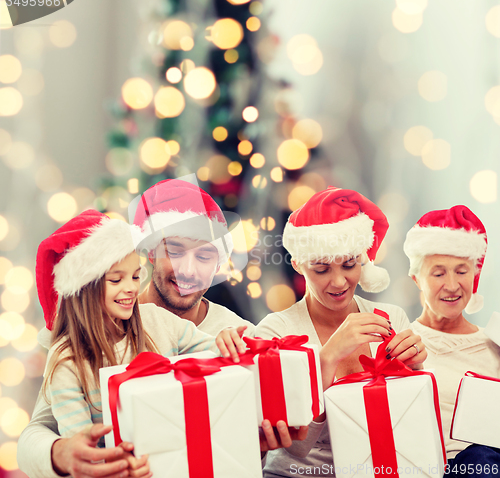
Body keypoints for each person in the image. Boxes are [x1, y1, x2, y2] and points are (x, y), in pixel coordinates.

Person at [18, 210, 248, 477]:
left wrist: (224, 340)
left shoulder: (155, 320)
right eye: (116, 279)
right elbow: (83, 446)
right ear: (84, 287)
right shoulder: (67, 360)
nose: (131, 288)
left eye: (136, 277)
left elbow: (216, 355)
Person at [256, 186, 427, 477]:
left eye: (349, 264)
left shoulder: (391, 318)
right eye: (321, 269)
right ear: (298, 264)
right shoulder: (276, 332)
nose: (338, 282)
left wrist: (416, 370)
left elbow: (412, 427)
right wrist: (327, 359)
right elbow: (292, 449)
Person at [404, 205, 500, 478]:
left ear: (475, 275)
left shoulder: (494, 346)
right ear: (417, 279)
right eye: (438, 273)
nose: (452, 285)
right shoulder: (402, 343)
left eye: (461, 271)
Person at [132, 178, 255, 335]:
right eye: (175, 253)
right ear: (151, 253)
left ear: (218, 265)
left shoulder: (241, 336)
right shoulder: (111, 326)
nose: (187, 271)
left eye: (203, 257)